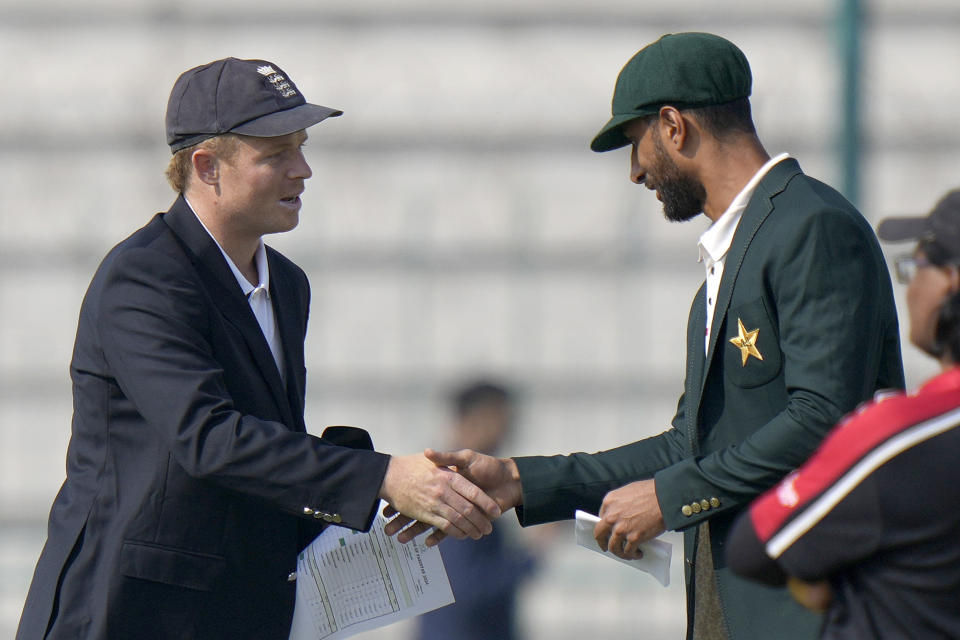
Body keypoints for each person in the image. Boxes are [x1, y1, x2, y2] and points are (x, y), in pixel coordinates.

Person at [386, 33, 904, 639]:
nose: (636, 172)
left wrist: (670, 496)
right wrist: (522, 481)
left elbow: (823, 418)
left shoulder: (810, 227)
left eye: (636, 146)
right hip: (736, 604)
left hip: (810, 610)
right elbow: (692, 442)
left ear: (674, 127)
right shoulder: (735, 253)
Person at [15, 57, 500, 640]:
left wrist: (388, 500)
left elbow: (264, 450)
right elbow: (210, 438)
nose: (303, 170)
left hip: (240, 609)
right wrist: (379, 477)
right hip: (131, 612)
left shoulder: (288, 284)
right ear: (206, 166)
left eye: (301, 147)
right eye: (276, 155)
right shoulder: (142, 277)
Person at [727, 190, 960, 638]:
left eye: (917, 266)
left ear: (950, 279)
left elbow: (752, 548)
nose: (911, 285)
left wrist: (823, 580)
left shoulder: (894, 435)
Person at [415, 380, 538, 640]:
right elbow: (464, 586)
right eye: (503, 421)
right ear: (477, 419)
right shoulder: (452, 484)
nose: (507, 433)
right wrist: (531, 554)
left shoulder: (455, 480)